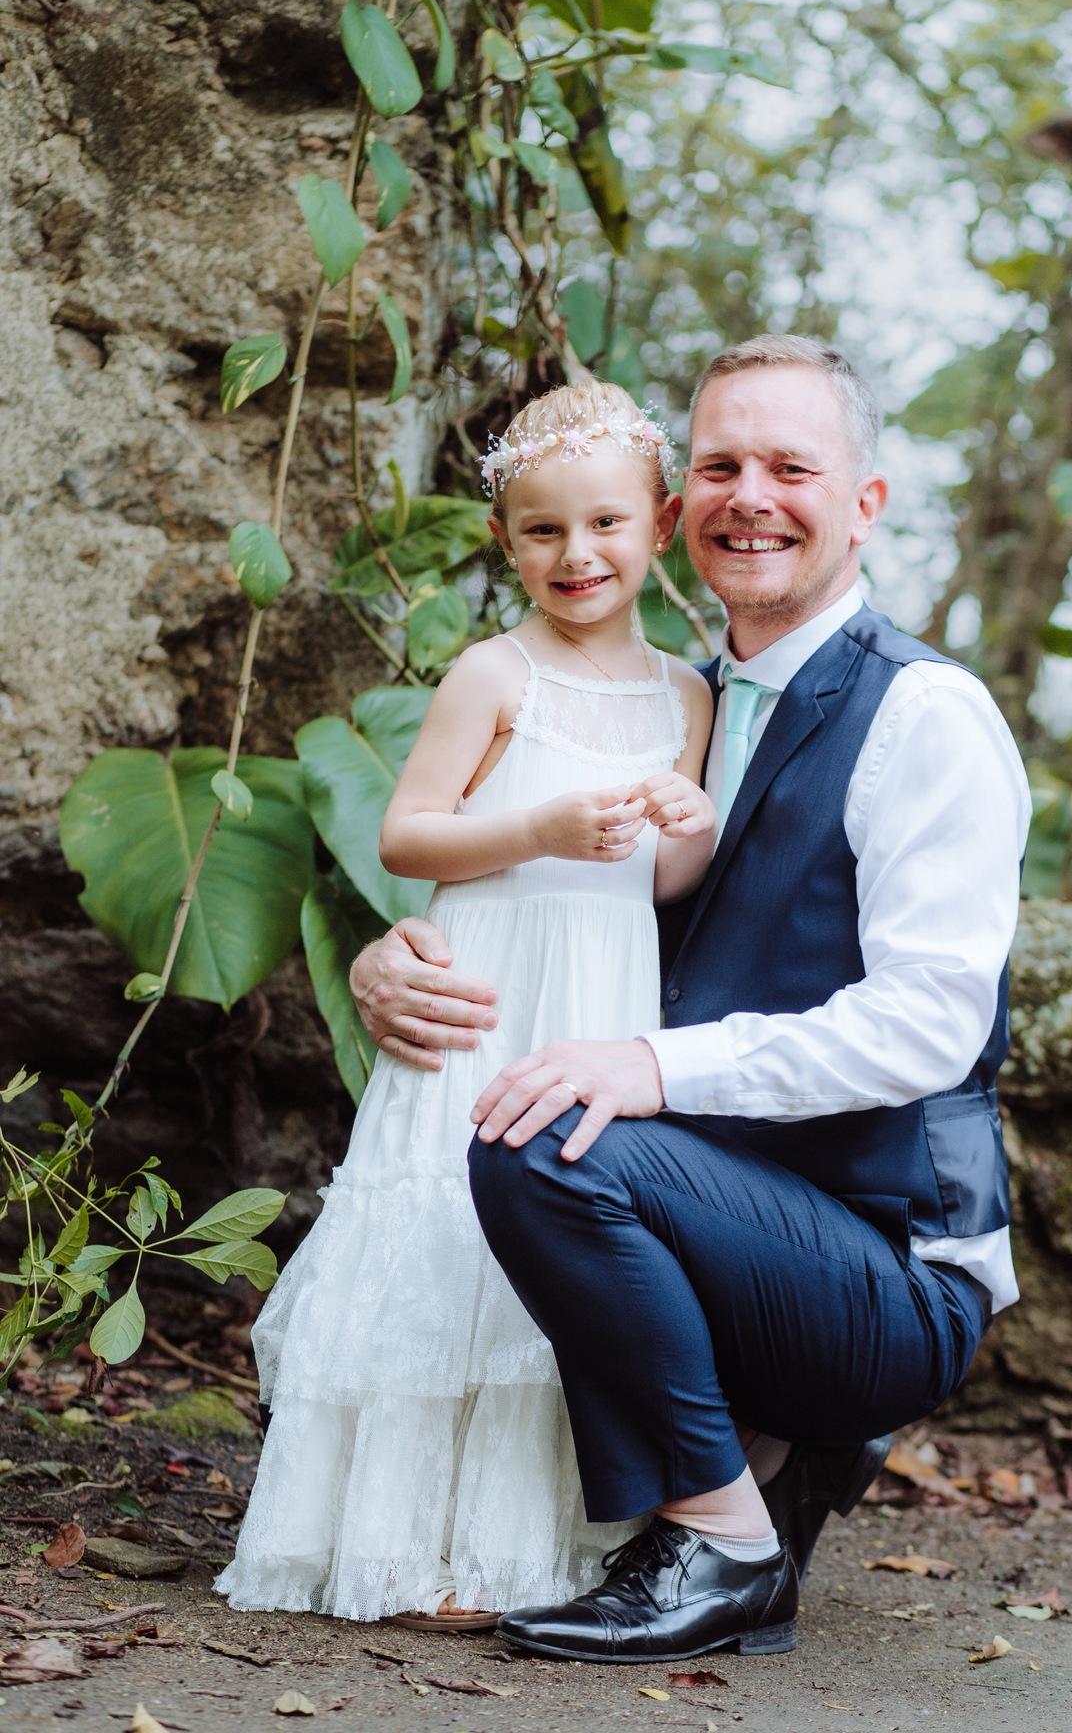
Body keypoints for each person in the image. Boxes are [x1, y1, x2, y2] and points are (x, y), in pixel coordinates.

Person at [348, 334, 1033, 1665]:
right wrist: (399, 953)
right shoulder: (678, 703)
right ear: (681, 508)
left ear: (867, 505)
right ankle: (734, 1473)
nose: (750, 494)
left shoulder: (925, 718)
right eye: (721, 464)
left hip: (888, 1265)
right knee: (536, 1119)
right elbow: (557, 899)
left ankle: (727, 1541)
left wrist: (655, 1071)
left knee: (546, 1138)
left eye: (792, 466)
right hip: (720, 1214)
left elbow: (931, 1026)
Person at [215, 380, 718, 1626]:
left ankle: (521, 1546)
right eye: (543, 530)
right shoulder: (495, 675)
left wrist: (689, 825)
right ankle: (393, 1539)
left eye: (605, 524)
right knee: (446, 1234)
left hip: (596, 999)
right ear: (506, 541)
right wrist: (537, 824)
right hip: (488, 986)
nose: (576, 553)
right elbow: (406, 836)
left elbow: (664, 880)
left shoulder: (686, 698)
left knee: (557, 1254)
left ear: (658, 524)